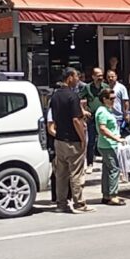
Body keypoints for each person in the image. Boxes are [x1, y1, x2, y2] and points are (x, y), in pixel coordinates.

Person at [49, 68, 94, 213]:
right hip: (73, 140)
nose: (78, 80)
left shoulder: (55, 96)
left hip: (59, 139)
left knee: (61, 174)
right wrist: (83, 138)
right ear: (69, 78)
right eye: (76, 77)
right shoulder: (72, 96)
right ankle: (79, 203)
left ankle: (61, 204)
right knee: (76, 173)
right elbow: (76, 120)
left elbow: (53, 118)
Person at [94, 87, 127, 206]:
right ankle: (113, 196)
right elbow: (102, 129)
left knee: (107, 170)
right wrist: (116, 138)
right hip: (107, 145)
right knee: (114, 169)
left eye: (114, 98)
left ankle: (106, 195)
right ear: (104, 99)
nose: (114, 100)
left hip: (108, 144)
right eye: (111, 98)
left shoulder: (107, 110)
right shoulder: (102, 111)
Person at [79, 67, 108, 166]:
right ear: (93, 76)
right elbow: (78, 99)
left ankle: (105, 161)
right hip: (92, 117)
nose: (100, 77)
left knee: (104, 139)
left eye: (101, 75)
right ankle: (90, 163)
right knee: (91, 141)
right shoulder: (87, 88)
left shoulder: (106, 87)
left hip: (103, 117)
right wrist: (83, 111)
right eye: (98, 75)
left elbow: (111, 99)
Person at [106, 69, 130, 133]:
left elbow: (126, 101)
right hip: (107, 116)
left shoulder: (121, 87)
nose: (110, 78)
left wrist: (126, 113)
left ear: (116, 76)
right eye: (108, 77)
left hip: (118, 116)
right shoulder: (105, 87)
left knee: (116, 134)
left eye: (112, 76)